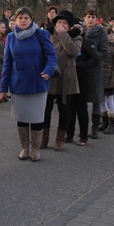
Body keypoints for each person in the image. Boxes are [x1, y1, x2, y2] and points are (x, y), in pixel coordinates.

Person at [0, 8, 57, 162]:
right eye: (20, 18)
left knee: (37, 117)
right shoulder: (11, 37)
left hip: (38, 81)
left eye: (26, 18)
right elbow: (7, 64)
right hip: (19, 83)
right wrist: (3, 89)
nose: (23, 21)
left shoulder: (41, 34)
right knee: (22, 117)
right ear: (15, 20)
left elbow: (52, 56)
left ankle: (35, 149)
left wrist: (49, 70)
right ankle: (25, 148)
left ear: (31, 19)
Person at [44, 10, 82, 150]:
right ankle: (44, 137)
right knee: (46, 109)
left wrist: (64, 35)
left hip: (67, 77)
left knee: (64, 109)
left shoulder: (76, 37)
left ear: (70, 25)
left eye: (64, 23)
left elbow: (72, 52)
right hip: (51, 77)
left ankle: (60, 139)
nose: (60, 25)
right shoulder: (49, 37)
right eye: (58, 22)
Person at [83, 10, 108, 139]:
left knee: (96, 99)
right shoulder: (81, 31)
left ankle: (95, 128)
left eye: (93, 17)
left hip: (95, 68)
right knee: (82, 100)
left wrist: (94, 56)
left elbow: (105, 51)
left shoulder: (101, 32)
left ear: (97, 19)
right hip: (82, 69)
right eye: (88, 17)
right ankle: (84, 128)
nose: (90, 19)